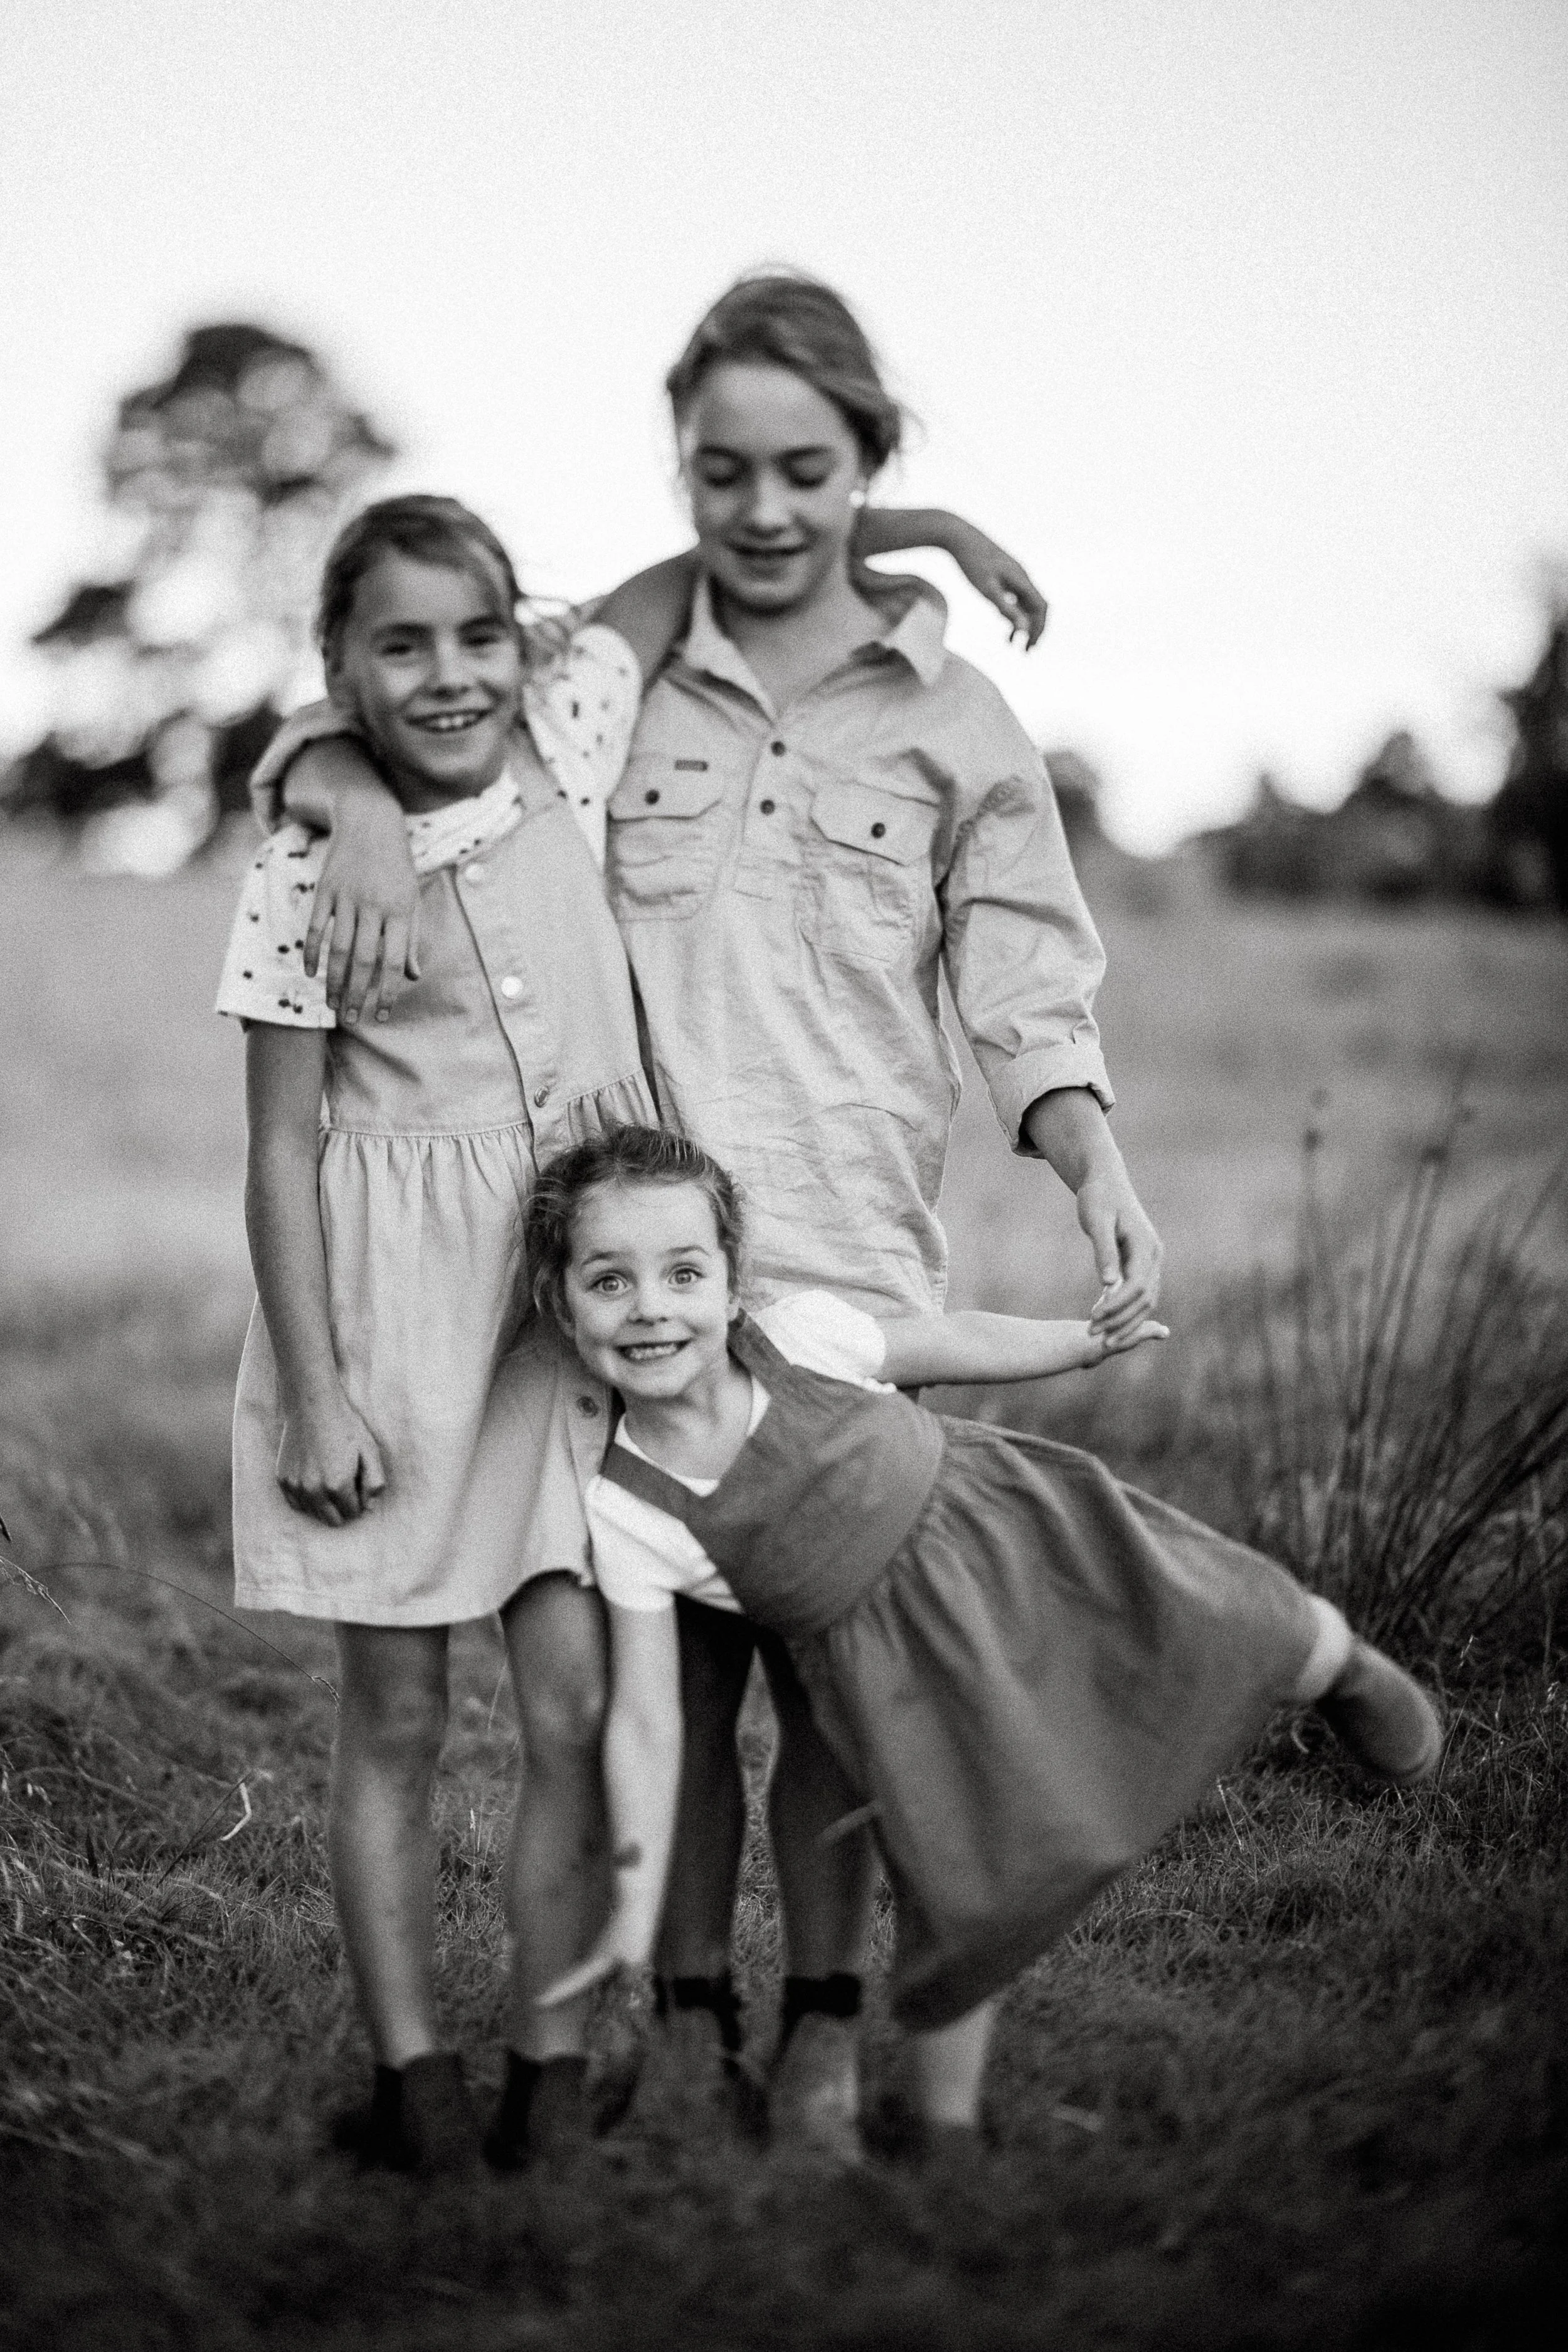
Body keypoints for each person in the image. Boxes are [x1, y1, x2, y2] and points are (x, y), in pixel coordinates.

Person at [246, 270, 1160, 2152]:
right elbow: (401, 696)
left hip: (841, 1251)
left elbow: (1025, 984)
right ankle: (668, 2021)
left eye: (807, 471)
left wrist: (1090, 1161)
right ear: (679, 470)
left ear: (861, 460)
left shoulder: (955, 717)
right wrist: (328, 780)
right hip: (619, 1279)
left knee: (835, 1671)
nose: (759, 509)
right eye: (720, 470)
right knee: (664, 1662)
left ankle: (825, 2029)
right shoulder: (617, 677)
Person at [527, 1126, 1444, 2163]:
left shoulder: (801, 1337)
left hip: (1008, 1531)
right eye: (611, 1281)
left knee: (1204, 1609)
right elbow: (648, 1725)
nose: (651, 1305)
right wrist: (636, 1914)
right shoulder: (630, 1509)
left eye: (683, 1272)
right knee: (964, 1869)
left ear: (734, 1287)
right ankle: (948, 2128)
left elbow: (947, 1338)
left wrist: (1080, 1341)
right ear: (564, 1308)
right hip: (890, 1668)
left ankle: (1332, 1658)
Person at [219, 493, 681, 2176]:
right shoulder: (301, 867)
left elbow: (660, 585)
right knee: (398, 1717)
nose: (447, 672)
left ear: (521, 643)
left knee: (568, 1704)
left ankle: (546, 2067)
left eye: (476, 633)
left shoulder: (559, 742)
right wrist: (318, 1393)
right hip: (397, 1338)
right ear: (337, 667)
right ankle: (413, 2077)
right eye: (397, 644)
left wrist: (905, 512)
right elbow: (278, 1145)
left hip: (566, 1323)